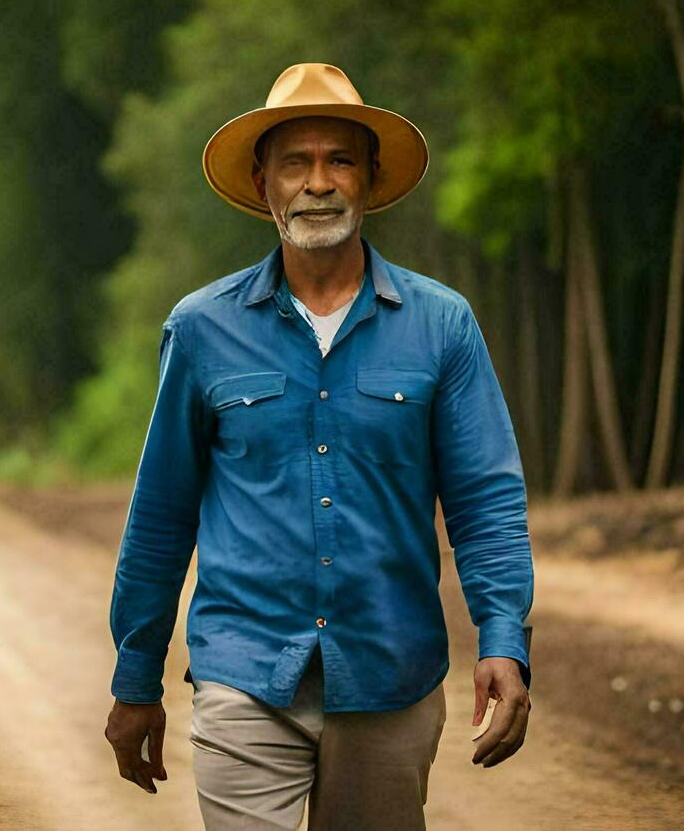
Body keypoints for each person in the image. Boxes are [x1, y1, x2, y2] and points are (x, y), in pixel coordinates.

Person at [103, 63, 535, 830]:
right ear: (263, 181)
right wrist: (136, 676)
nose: (318, 183)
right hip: (244, 671)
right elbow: (162, 513)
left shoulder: (442, 325)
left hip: (390, 675)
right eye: (296, 163)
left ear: (368, 179)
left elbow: (485, 501)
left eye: (339, 160)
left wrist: (504, 639)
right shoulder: (203, 330)